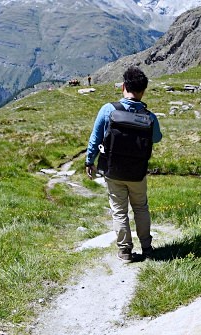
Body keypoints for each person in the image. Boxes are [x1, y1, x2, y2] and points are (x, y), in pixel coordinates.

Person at [86, 66, 163, 262]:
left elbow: (95, 138)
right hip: (138, 172)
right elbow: (157, 138)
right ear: (143, 91)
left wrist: (89, 160)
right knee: (141, 208)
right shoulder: (149, 117)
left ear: (123, 86)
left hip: (113, 170)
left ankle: (125, 251)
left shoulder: (108, 110)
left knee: (119, 210)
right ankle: (146, 247)